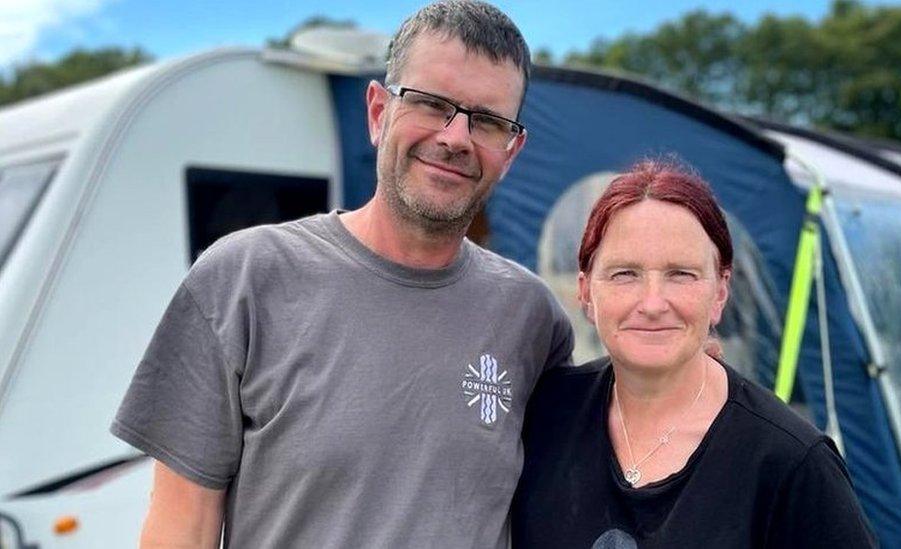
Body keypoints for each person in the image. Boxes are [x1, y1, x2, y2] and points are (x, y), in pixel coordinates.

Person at [110, 2, 573, 547]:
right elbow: (179, 529)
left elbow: (618, 440)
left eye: (487, 120)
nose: (455, 137)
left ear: (511, 150)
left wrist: (694, 365)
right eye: (430, 104)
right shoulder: (244, 281)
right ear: (379, 112)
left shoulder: (532, 317)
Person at [511, 161, 876, 548]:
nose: (652, 303)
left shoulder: (790, 462)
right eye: (625, 274)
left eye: (681, 274)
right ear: (585, 292)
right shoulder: (544, 415)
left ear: (720, 292)